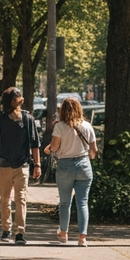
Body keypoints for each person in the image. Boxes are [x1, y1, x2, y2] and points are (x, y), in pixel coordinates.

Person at [0, 86, 41, 244]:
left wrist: (37, 164)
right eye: (18, 98)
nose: (21, 100)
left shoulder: (27, 119)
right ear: (11, 102)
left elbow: (35, 144)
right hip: (3, 165)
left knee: (21, 199)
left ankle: (20, 232)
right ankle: (6, 230)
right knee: (4, 199)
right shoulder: (0, 119)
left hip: (22, 165)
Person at [44, 97, 98, 246]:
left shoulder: (60, 127)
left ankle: (63, 233)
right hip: (84, 166)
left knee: (65, 203)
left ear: (63, 110)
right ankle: (82, 237)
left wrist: (49, 148)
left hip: (65, 166)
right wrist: (88, 157)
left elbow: (54, 148)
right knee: (82, 202)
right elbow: (94, 151)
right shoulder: (87, 126)